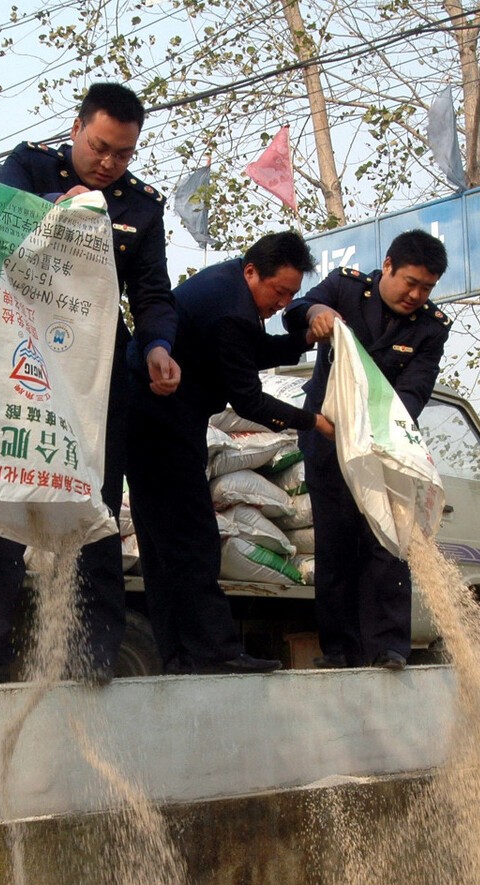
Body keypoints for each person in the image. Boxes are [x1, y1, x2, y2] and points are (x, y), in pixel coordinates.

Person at [0, 82, 180, 686]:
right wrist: (59, 204)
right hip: (18, 360)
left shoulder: (141, 206)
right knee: (4, 493)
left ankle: (92, 654)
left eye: (123, 154)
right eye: (100, 147)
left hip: (94, 374)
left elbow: (153, 291)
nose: (109, 163)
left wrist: (159, 346)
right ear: (77, 128)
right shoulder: (28, 167)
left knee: (95, 503)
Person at [125, 231, 334, 674]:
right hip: (161, 423)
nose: (282, 304)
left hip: (146, 419)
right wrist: (312, 421)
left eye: (292, 296)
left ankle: (179, 656)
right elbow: (249, 401)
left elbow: (249, 352)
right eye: (279, 292)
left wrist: (306, 341)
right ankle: (216, 651)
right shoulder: (232, 311)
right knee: (195, 538)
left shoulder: (226, 285)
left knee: (162, 547)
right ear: (253, 272)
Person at [283, 229, 452, 671]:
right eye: (410, 282)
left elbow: (415, 392)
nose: (416, 294)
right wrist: (317, 313)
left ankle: (389, 648)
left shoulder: (432, 328)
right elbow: (298, 309)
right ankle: (338, 650)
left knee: (387, 543)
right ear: (389, 267)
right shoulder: (344, 287)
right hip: (328, 442)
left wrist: (380, 429)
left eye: (427, 288)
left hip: (385, 447)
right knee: (335, 546)